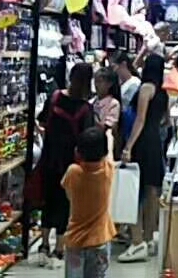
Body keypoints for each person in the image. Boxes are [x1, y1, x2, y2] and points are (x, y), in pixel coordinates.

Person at [35, 63, 97, 267]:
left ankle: (44, 244)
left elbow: (42, 122)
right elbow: (87, 138)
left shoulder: (54, 98)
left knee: (48, 200)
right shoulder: (85, 108)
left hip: (49, 158)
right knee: (65, 204)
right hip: (71, 163)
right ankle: (59, 248)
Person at [117, 54, 169, 263]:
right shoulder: (163, 93)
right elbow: (166, 121)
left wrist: (128, 145)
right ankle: (149, 238)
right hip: (155, 141)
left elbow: (140, 119)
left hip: (143, 141)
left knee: (134, 191)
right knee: (152, 190)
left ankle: (137, 241)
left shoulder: (146, 88)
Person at [62, 127, 117, 278]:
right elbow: (110, 153)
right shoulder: (107, 171)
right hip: (100, 240)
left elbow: (69, 195)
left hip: (75, 242)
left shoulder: (73, 172)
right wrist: (109, 134)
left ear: (78, 152)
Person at [93, 67, 121, 159]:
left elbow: (108, 128)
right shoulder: (92, 101)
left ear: (109, 84)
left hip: (105, 146)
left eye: (100, 82)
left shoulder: (114, 104)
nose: (96, 85)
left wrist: (91, 114)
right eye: (95, 81)